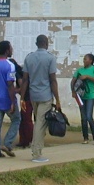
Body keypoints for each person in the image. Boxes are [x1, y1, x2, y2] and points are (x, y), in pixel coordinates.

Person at [20, 34, 62, 163]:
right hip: (45, 96)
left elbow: (25, 80)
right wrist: (58, 100)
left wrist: (22, 98)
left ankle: (37, 149)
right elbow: (53, 80)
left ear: (36, 43)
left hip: (33, 96)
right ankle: (36, 153)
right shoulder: (50, 58)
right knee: (40, 124)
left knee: (39, 121)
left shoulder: (29, 57)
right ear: (46, 44)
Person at [72, 53, 94, 145]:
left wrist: (87, 77)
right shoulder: (80, 70)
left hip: (90, 96)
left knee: (89, 116)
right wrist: (73, 91)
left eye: (85, 59)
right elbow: (73, 81)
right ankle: (85, 138)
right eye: (84, 59)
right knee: (83, 118)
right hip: (81, 96)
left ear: (90, 61)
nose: (84, 60)